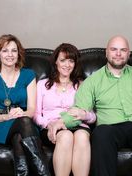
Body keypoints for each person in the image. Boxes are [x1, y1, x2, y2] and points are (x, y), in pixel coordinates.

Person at [70, 35, 132, 176]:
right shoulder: (93, 81)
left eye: (123, 50)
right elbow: (79, 109)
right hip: (109, 128)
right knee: (100, 133)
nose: (118, 54)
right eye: (114, 49)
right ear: (106, 52)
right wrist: (59, 122)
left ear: (129, 53)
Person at [0, 34, 50, 176]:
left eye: (14, 50)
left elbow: (30, 110)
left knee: (19, 136)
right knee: (23, 124)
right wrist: (8, 116)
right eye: (5, 51)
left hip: (24, 122)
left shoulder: (29, 75)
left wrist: (20, 114)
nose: (10, 55)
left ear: (19, 54)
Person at [34, 43, 96, 176]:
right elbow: (36, 114)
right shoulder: (42, 85)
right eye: (63, 60)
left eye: (71, 61)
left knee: (81, 136)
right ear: (55, 61)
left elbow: (93, 116)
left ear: (75, 64)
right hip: (51, 127)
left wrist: (84, 115)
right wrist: (48, 124)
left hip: (79, 125)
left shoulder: (82, 85)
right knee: (66, 136)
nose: (67, 65)